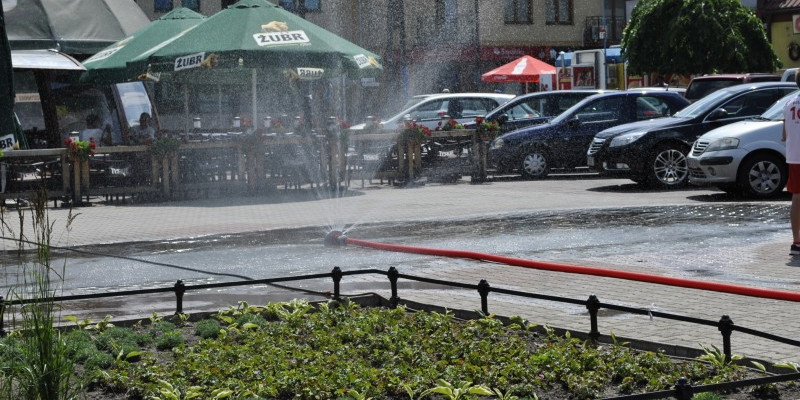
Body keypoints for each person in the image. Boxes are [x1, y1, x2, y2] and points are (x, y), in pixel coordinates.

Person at [783, 73, 800, 255]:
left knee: (797, 197)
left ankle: (796, 242)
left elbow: (784, 134)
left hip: (795, 156)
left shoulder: (789, 104)